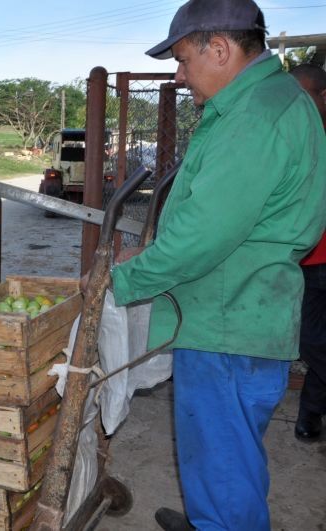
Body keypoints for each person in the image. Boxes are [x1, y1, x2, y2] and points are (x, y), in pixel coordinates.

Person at [107, 1, 326, 530]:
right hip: (241, 308)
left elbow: (201, 238)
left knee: (224, 460)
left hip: (227, 320)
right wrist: (157, 252)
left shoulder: (253, 117)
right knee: (225, 454)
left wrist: (122, 281)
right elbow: (223, 220)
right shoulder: (267, 102)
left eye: (183, 60)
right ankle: (212, 518)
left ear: (221, 49)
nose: (179, 76)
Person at [291, 63, 326, 441]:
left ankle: (312, 411)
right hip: (302, 261)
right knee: (310, 339)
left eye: (304, 98)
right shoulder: (296, 136)